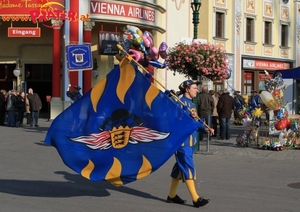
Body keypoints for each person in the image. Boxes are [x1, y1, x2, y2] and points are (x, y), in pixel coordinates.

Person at [167, 80, 213, 208]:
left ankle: (171, 196)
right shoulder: (179, 102)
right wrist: (188, 116)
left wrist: (205, 128)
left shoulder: (191, 103)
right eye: (194, 88)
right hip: (183, 142)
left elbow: (194, 122)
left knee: (179, 169)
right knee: (188, 167)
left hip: (190, 141)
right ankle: (195, 198)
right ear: (187, 89)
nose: (196, 90)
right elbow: (175, 121)